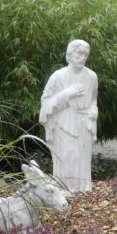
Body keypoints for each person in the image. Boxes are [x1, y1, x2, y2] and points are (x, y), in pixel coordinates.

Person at [39, 39, 98, 194]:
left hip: (85, 122)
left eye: (85, 55)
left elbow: (93, 101)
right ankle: (64, 187)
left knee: (82, 157)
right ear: (69, 55)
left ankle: (82, 188)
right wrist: (67, 94)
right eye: (79, 54)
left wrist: (94, 111)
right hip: (64, 122)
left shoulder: (92, 76)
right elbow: (46, 102)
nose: (83, 58)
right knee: (67, 155)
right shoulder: (58, 77)